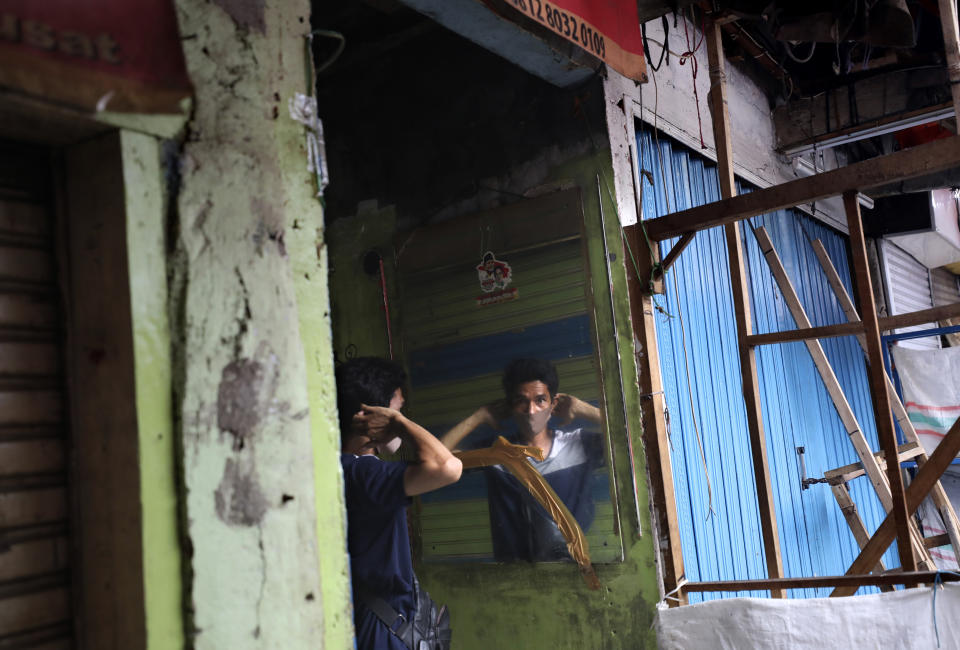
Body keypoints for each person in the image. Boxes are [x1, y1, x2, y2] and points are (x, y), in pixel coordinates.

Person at [337, 357, 461, 650]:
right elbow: (447, 468)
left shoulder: (347, 468)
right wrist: (399, 424)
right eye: (398, 409)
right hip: (381, 629)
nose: (402, 416)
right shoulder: (363, 473)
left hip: (377, 621)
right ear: (372, 416)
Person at [441, 358, 603, 562]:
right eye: (521, 401)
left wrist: (584, 410)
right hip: (514, 578)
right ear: (511, 406)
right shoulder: (496, 451)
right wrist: (478, 417)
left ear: (553, 404)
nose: (531, 410)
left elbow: (631, 439)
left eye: (540, 400)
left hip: (571, 574)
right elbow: (437, 459)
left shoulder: (578, 444)